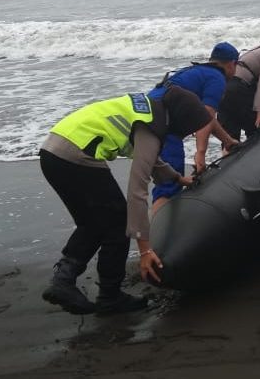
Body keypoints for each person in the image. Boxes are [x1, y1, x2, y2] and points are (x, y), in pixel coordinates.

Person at [39, 86, 211, 315]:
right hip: (76, 155)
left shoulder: (148, 111)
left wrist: (178, 179)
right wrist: (145, 249)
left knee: (92, 223)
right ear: (181, 120)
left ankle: (63, 280)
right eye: (190, 129)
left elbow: (153, 162)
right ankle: (109, 297)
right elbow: (137, 192)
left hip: (53, 152)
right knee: (119, 222)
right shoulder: (152, 128)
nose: (188, 134)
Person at [147, 42, 242, 213]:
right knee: (169, 186)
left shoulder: (196, 72)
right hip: (164, 125)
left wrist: (227, 141)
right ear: (231, 64)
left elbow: (206, 118)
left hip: (145, 117)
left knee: (166, 178)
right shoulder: (217, 78)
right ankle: (158, 235)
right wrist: (200, 154)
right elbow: (205, 117)